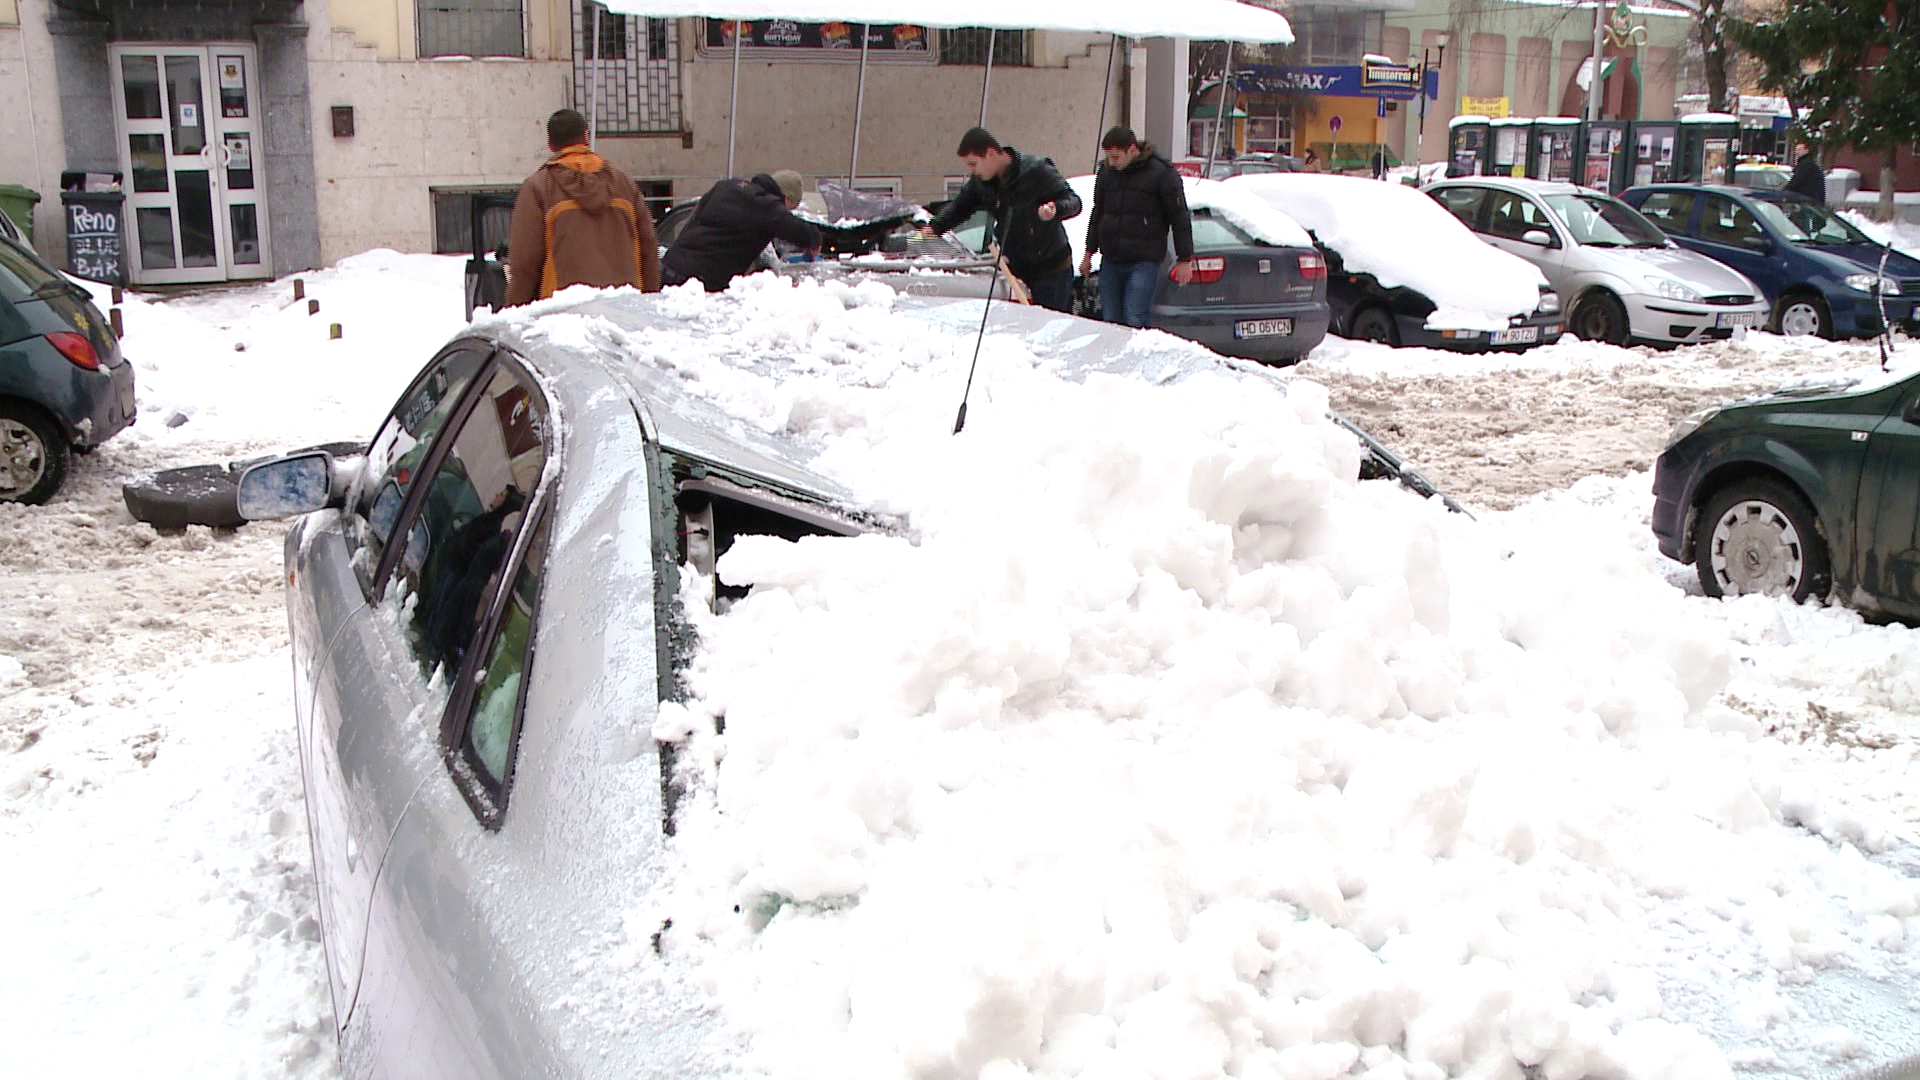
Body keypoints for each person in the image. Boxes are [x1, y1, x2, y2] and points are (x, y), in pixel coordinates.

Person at [505, 109, 659, 307]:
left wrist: (515, 310)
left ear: (551, 145)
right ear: (586, 137)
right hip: (626, 310)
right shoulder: (625, 184)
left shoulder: (538, 187)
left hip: (563, 314)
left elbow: (525, 263)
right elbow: (649, 248)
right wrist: (649, 303)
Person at [921, 127, 1083, 312]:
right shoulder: (982, 183)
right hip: (1015, 269)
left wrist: (1056, 209)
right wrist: (934, 228)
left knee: (1050, 328)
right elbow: (960, 207)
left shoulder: (1035, 170)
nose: (970, 171)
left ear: (990, 154)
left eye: (973, 163)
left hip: (1051, 270)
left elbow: (1074, 201)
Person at [1078, 126, 1195, 329]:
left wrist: (1185, 259)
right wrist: (1089, 253)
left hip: (1144, 259)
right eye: (1108, 157)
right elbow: (1098, 213)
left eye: (1116, 157)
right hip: (1112, 259)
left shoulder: (1161, 173)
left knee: (1135, 317)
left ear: (1132, 150)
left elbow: (1179, 217)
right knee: (1111, 321)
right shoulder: (1107, 172)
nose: (1112, 163)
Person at [661, 170, 822, 291]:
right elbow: (795, 228)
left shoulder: (726, 186)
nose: (787, 212)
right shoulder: (767, 206)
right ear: (786, 198)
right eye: (790, 208)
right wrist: (814, 238)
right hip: (699, 281)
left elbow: (695, 218)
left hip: (669, 268)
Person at [1786, 141, 1826, 206]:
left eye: (1799, 150)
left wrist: (1786, 191)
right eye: (1796, 150)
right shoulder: (1809, 163)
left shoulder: (1805, 164)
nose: (1797, 152)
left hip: (1806, 199)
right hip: (1813, 199)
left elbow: (1797, 181)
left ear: (1806, 151)